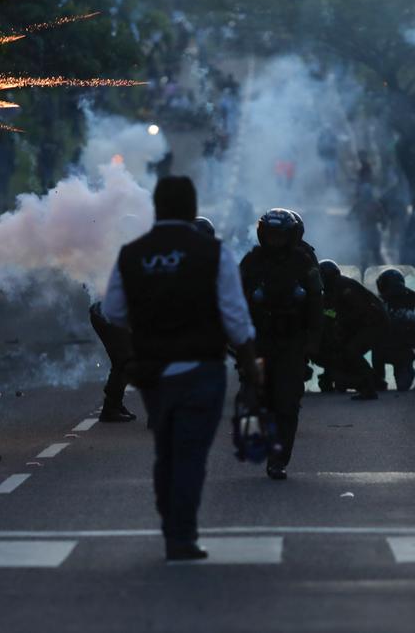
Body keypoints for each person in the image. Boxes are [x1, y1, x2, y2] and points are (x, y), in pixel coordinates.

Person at [101, 176, 260, 561]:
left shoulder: (132, 254)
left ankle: (170, 523)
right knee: (190, 455)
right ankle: (181, 533)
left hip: (154, 372)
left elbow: (112, 312)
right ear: (191, 209)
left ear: (157, 207)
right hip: (201, 368)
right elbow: (236, 318)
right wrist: (251, 362)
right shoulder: (212, 252)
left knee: (166, 452)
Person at [239, 208, 323, 481]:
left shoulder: (304, 262)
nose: (275, 241)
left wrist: (313, 340)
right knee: (254, 399)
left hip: (291, 342)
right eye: (270, 235)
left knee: (287, 403)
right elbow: (236, 302)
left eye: (280, 236)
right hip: (259, 341)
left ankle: (279, 459)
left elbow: (316, 302)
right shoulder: (251, 262)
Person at [313, 261, 386, 399]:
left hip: (373, 324)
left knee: (351, 351)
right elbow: (330, 312)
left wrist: (338, 325)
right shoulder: (331, 289)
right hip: (364, 324)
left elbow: (357, 313)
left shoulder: (345, 288)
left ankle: (370, 387)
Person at [373, 269, 415, 391]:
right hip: (387, 349)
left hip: (400, 350)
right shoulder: (382, 304)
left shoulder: (406, 302)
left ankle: (379, 380)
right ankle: (378, 380)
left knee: (403, 382)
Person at [88, 301, 136, 423]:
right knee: (124, 359)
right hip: (107, 315)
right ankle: (110, 409)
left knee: (124, 359)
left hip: (111, 314)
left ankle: (114, 405)